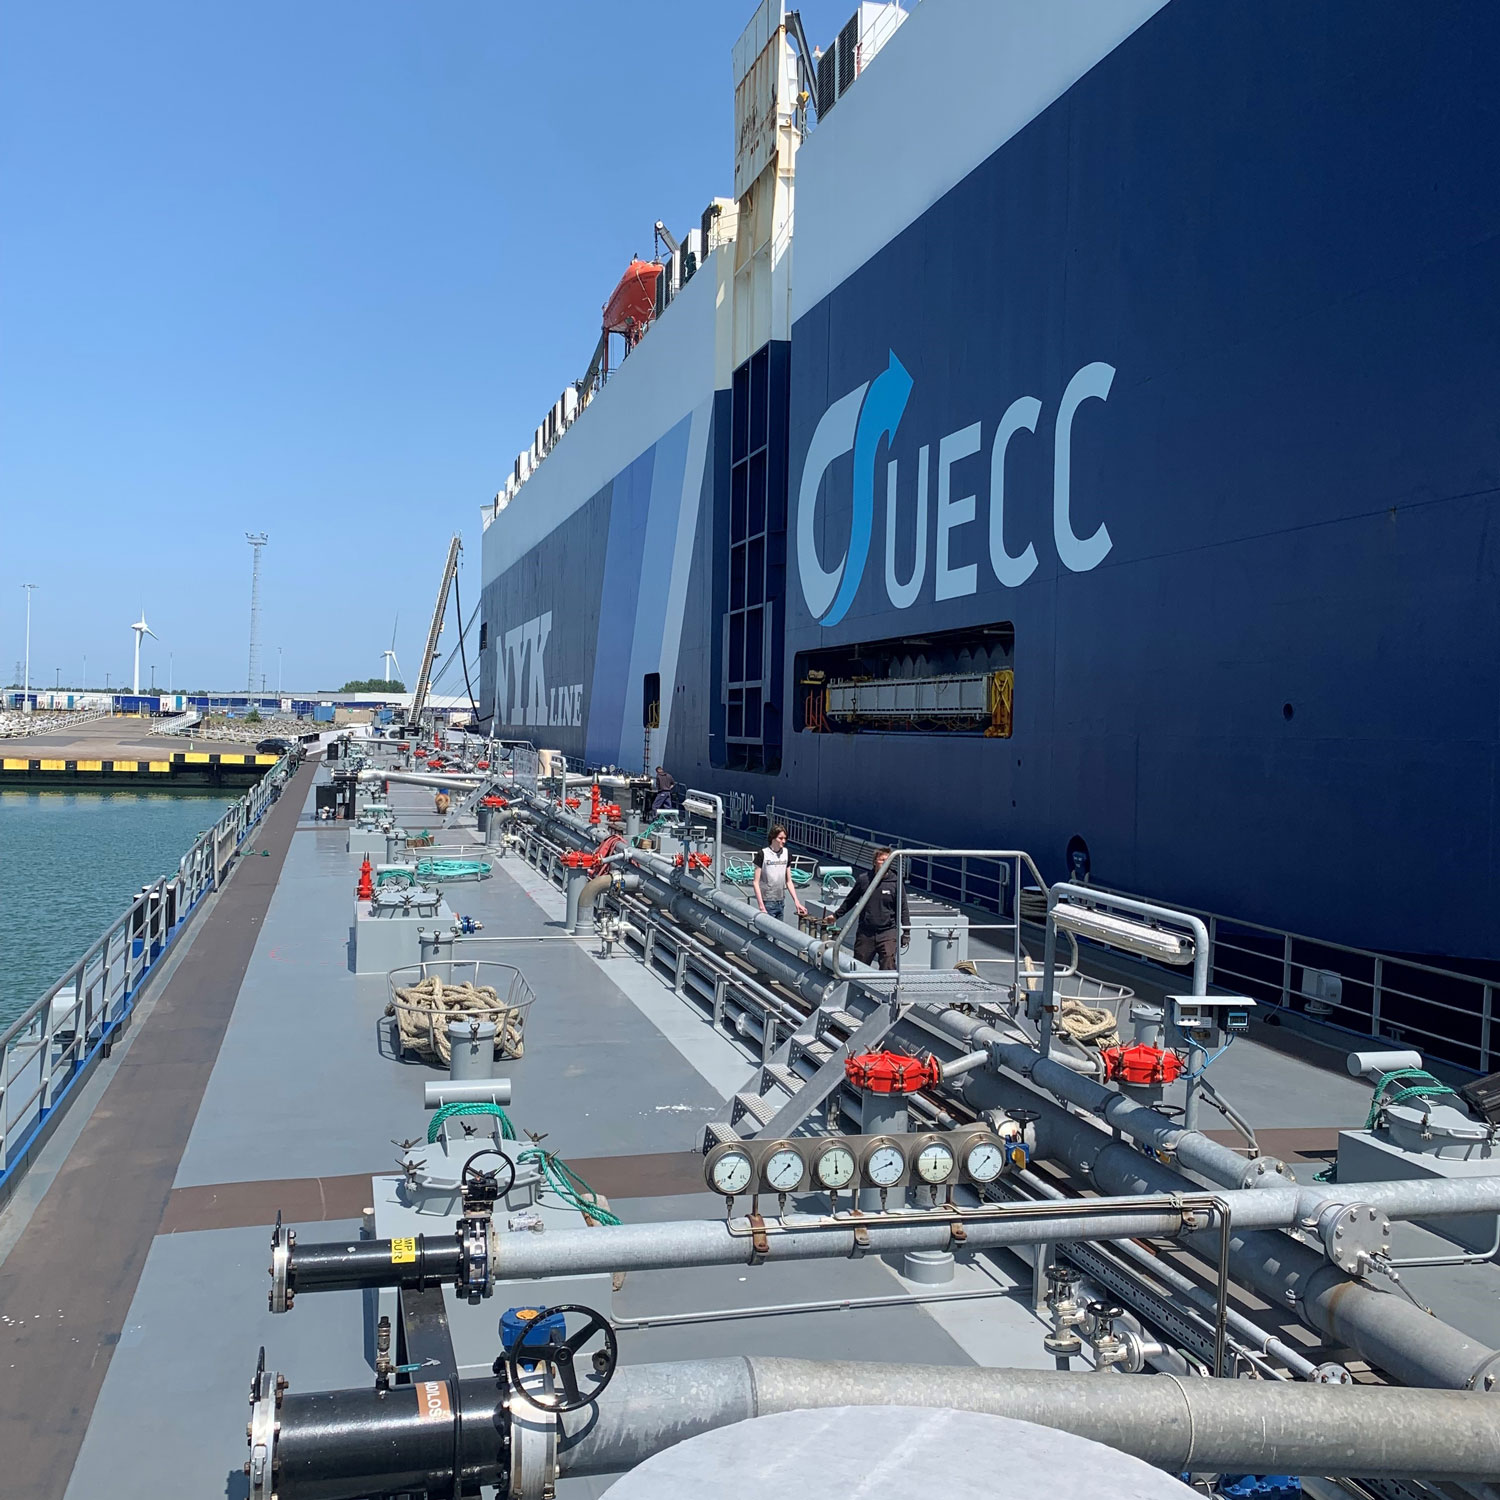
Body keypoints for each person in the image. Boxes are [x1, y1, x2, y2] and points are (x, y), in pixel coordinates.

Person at [834, 847, 909, 970]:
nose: (885, 862)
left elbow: (903, 908)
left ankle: (885, 988)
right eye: (882, 859)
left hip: (887, 931)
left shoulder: (895, 882)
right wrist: (835, 916)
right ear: (874, 861)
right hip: (866, 932)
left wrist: (906, 932)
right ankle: (856, 989)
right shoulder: (864, 879)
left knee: (888, 962)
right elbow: (850, 900)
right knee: (859, 966)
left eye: (888, 860)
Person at [753, 824, 806, 926]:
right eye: (780, 838)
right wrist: (761, 906)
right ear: (773, 838)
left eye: (785, 838)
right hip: (767, 901)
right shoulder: (762, 854)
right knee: (766, 935)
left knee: (778, 935)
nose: (784, 841)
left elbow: (789, 881)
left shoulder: (786, 854)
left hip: (780, 900)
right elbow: (756, 882)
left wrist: (797, 902)